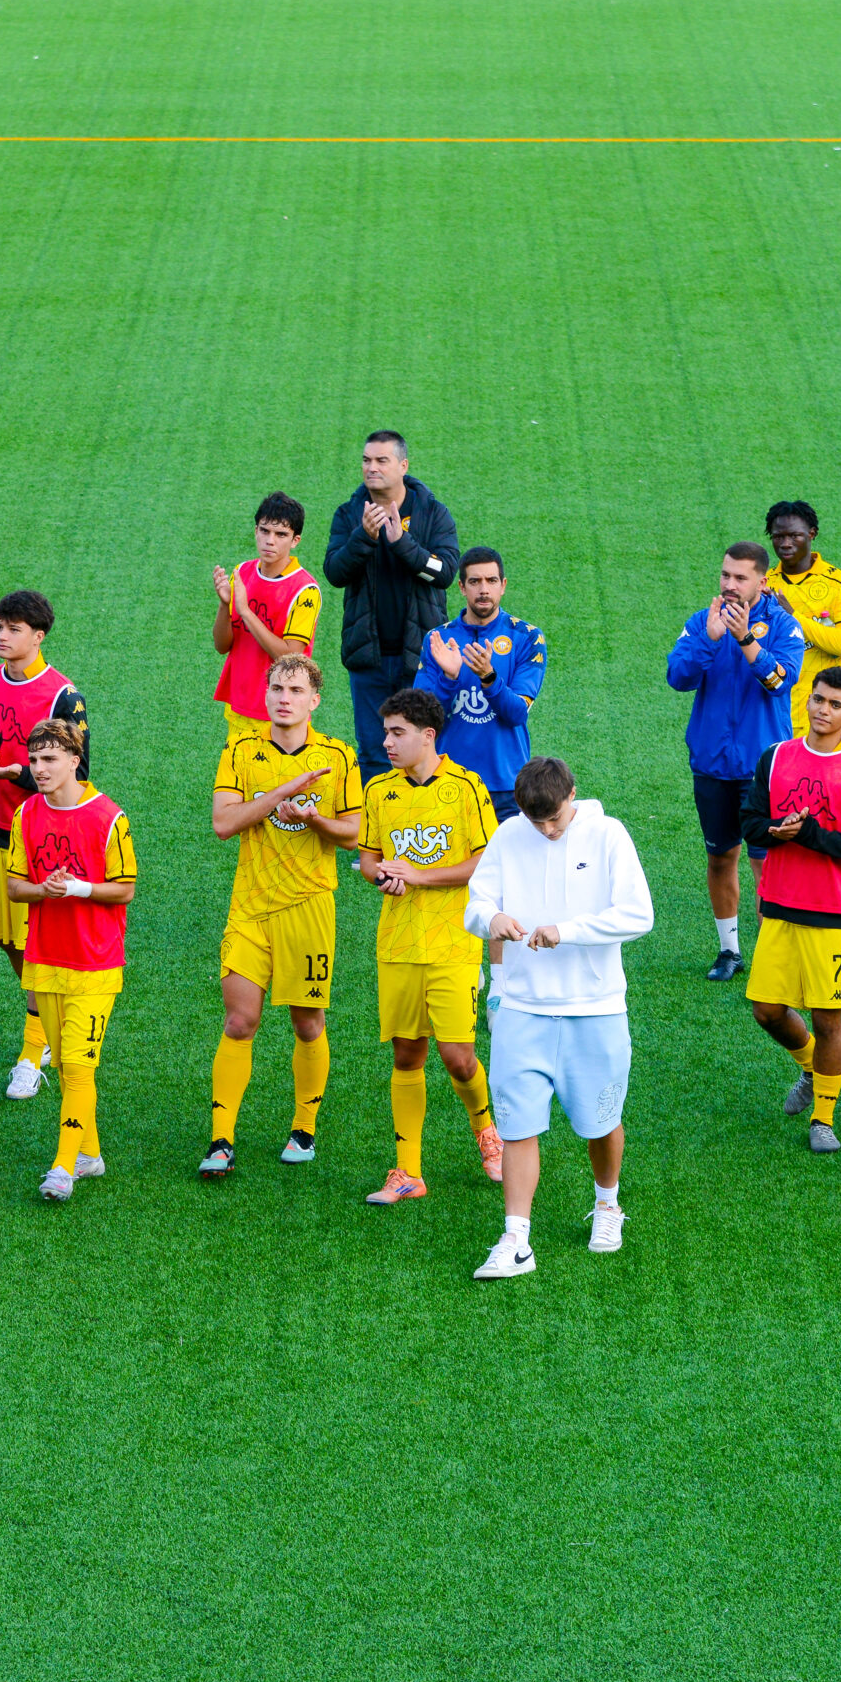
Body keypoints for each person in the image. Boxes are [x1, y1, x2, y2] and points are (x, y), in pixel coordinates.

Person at [461, 756, 653, 1280]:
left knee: (601, 1122)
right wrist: (491, 917)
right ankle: (516, 1239)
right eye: (536, 821)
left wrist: (567, 932)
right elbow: (476, 903)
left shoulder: (609, 835)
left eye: (554, 819)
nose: (546, 830)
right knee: (517, 1125)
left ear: (572, 795)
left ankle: (607, 1204)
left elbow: (639, 915)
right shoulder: (509, 834)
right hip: (524, 1009)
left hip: (596, 1008)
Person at [202, 653, 361, 1178]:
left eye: (295, 690)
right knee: (239, 1021)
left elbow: (354, 833)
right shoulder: (240, 751)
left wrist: (315, 820)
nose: (283, 698)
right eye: (276, 689)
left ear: (314, 700)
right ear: (265, 695)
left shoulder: (338, 756)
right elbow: (223, 823)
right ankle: (220, 1140)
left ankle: (303, 1128)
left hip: (309, 907)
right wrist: (284, 792)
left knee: (307, 1022)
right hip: (249, 907)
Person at [355, 689, 501, 1205]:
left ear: (428, 736)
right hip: (397, 944)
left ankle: (486, 1131)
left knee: (458, 1057)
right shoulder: (379, 790)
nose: (387, 742)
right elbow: (369, 859)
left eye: (397, 733)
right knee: (406, 1054)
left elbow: (486, 863)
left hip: (453, 945)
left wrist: (418, 875)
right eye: (386, 732)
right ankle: (408, 1171)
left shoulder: (467, 788)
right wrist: (384, 877)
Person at [742, 667, 841, 1155]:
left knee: (827, 1020)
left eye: (835, 704)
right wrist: (775, 829)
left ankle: (823, 1118)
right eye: (819, 700)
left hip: (833, 912)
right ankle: (809, 1066)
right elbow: (750, 822)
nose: (824, 710)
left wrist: (806, 834)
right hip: (779, 906)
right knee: (766, 1011)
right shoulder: (775, 757)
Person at [0, 589, 88, 1102]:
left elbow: (81, 772)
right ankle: (49, 1020)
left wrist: (21, 775)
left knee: (39, 946)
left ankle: (32, 1055)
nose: (2, 636)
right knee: (11, 942)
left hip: (43, 836)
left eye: (13, 629)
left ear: (38, 636)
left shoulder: (63, 697)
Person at [7, 722, 136, 1203]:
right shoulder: (26, 814)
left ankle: (62, 1167)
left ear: (74, 761)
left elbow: (125, 888)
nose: (39, 769)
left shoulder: (108, 817)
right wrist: (45, 889)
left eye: (49, 759)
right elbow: (14, 886)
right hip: (45, 958)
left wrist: (78, 888)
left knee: (78, 1067)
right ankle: (90, 1155)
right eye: (34, 760)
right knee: (64, 1065)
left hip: (95, 964)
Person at [665, 541, 805, 981]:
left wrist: (745, 638)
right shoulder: (702, 622)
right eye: (725, 575)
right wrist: (710, 639)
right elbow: (678, 677)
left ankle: (772, 957)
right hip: (711, 765)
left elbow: (779, 681)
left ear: (762, 581)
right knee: (720, 858)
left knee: (766, 864)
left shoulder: (785, 627)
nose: (729, 584)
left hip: (764, 770)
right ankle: (729, 951)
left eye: (740, 577)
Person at [323, 431, 458, 784]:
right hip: (368, 658)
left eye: (381, 460)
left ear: (403, 465)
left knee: (425, 750)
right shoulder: (349, 514)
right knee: (374, 752)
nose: (372, 467)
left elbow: (445, 573)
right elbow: (335, 572)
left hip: (422, 658)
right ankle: (377, 821)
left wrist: (402, 544)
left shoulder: (432, 513)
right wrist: (363, 537)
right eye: (366, 460)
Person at [418, 546, 546, 821]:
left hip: (507, 787)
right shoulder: (437, 640)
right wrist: (448, 679)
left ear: (503, 586)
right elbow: (422, 720)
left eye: (491, 580)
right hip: (448, 782)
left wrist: (489, 677)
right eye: (475, 581)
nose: (484, 589)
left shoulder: (527, 637)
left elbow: (516, 713)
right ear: (462, 588)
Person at [212, 494, 322, 743]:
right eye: (265, 531)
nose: (270, 540)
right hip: (240, 705)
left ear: (295, 540)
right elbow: (221, 645)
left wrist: (245, 611)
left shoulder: (305, 590)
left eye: (281, 534)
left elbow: (289, 657)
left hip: (282, 713)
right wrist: (225, 605)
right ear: (256, 531)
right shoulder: (242, 573)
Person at [764, 502, 841, 738]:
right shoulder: (764, 585)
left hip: (818, 719)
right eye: (778, 536)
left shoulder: (839, 583)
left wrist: (793, 617)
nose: (786, 543)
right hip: (771, 714)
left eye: (794, 535)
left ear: (812, 534)